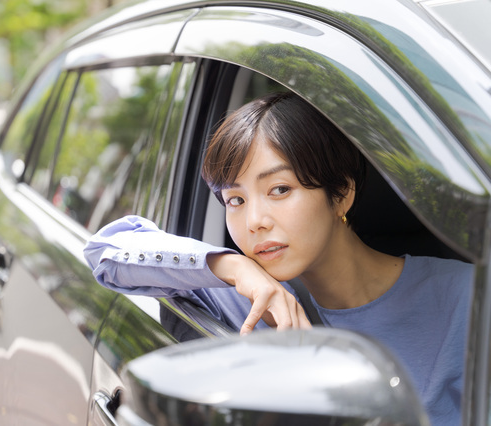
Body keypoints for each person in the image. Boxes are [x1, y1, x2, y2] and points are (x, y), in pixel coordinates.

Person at [84, 92, 473, 425]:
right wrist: (232, 267)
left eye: (280, 189)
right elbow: (105, 251)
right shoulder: (244, 299)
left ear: (341, 193)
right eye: (235, 200)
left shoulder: (465, 298)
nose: (253, 222)